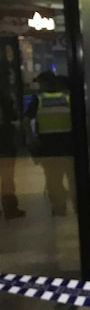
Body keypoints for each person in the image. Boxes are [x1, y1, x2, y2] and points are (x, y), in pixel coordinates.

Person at [24, 71, 74, 216]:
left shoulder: (38, 100)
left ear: (46, 83)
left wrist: (31, 138)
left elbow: (26, 121)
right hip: (68, 143)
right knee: (72, 176)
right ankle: (78, 206)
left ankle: (59, 207)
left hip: (48, 145)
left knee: (53, 178)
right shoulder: (68, 98)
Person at [0, 74, 24, 220]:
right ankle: (10, 209)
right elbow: (14, 116)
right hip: (5, 141)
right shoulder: (5, 99)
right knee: (7, 177)